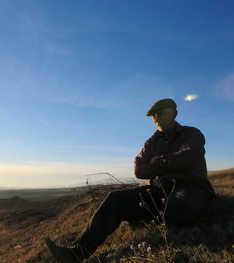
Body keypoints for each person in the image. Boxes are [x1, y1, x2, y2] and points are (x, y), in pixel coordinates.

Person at [45, 98, 215, 263]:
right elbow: (139, 170)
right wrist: (169, 163)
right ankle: (75, 254)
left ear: (175, 113)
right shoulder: (151, 142)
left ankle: (155, 221)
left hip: (192, 186)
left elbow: (189, 156)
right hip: (158, 189)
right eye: (153, 116)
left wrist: (157, 161)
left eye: (162, 113)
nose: (157, 118)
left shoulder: (192, 133)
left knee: (176, 210)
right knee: (115, 199)